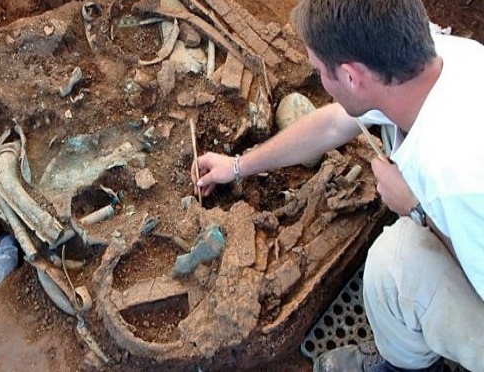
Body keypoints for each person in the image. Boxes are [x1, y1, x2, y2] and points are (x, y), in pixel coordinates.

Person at [191, 0, 484, 371]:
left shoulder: (454, 179)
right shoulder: (435, 61)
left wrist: (416, 208)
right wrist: (237, 166)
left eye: (319, 71)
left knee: (394, 263)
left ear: (350, 77)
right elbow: (332, 125)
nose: (320, 82)